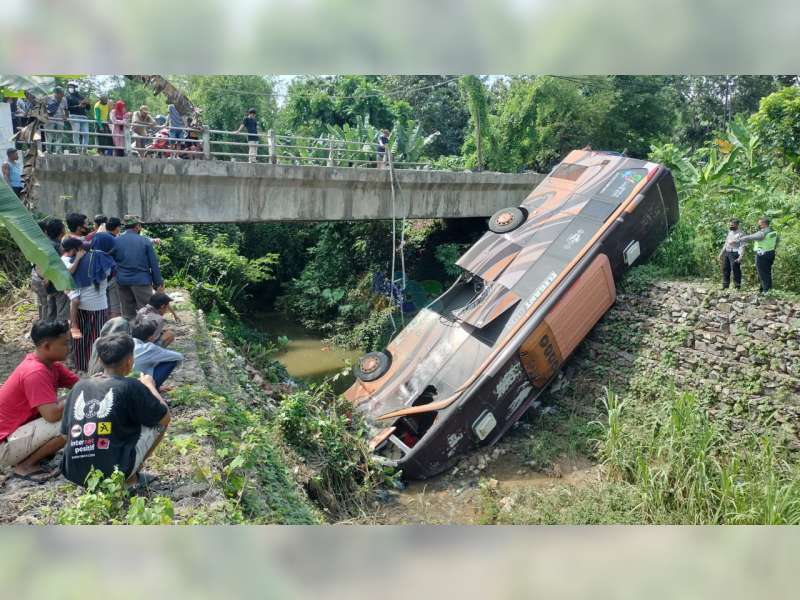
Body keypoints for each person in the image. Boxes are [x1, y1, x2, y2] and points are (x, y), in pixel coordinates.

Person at [60, 333, 170, 488]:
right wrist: (150, 385)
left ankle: (96, 478)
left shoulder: (79, 386)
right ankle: (129, 479)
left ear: (99, 360)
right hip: (114, 471)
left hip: (74, 472)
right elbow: (165, 417)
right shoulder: (131, 385)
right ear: (130, 361)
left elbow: (65, 434)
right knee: (158, 421)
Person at [0, 321, 77, 482]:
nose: (69, 347)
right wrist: (75, 396)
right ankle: (25, 466)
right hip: (4, 445)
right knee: (73, 421)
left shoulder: (50, 364)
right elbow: (52, 415)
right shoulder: (35, 372)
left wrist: (93, 384)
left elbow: (79, 384)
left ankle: (31, 458)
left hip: (16, 433)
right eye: (65, 343)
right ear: (47, 346)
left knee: (71, 407)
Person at [68, 233, 116, 372]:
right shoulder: (105, 260)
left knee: (81, 337)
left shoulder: (79, 257)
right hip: (98, 306)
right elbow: (108, 276)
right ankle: (94, 368)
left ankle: (81, 365)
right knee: (96, 338)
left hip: (80, 305)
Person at [114, 215, 164, 320]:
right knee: (147, 312)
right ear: (137, 226)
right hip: (141, 281)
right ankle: (147, 330)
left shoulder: (116, 240)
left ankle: (130, 330)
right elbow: (153, 264)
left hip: (122, 281)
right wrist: (158, 282)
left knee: (127, 314)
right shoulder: (144, 241)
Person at [131, 318, 183, 390]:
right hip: (140, 386)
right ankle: (153, 389)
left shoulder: (126, 341)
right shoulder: (149, 347)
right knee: (172, 361)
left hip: (125, 382)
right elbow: (179, 356)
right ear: (151, 337)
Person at [740, 217, 779, 293]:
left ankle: (766, 292)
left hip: (762, 255)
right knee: (766, 272)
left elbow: (752, 237)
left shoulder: (763, 232)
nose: (758, 225)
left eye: (759, 224)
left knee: (763, 274)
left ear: (764, 224)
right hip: (771, 253)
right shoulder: (773, 231)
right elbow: (777, 241)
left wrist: (741, 238)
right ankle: (763, 290)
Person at [104, 217, 123, 318]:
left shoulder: (98, 237)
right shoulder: (116, 240)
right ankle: (115, 327)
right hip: (113, 275)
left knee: (105, 307)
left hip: (100, 277)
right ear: (117, 228)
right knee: (115, 307)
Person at [718, 218, 745, 290]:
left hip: (735, 253)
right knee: (725, 269)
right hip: (727, 252)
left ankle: (737, 286)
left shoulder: (741, 234)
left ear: (737, 225)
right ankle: (725, 286)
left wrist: (740, 256)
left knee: (735, 269)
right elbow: (726, 243)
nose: (730, 226)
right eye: (730, 224)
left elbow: (742, 246)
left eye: (732, 225)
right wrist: (721, 253)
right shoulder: (730, 232)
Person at [66, 81, 90, 153]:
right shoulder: (67, 97)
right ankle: (78, 149)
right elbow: (67, 108)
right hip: (74, 116)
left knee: (86, 133)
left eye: (72, 87)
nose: (70, 88)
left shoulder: (82, 97)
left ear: (76, 88)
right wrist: (78, 106)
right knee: (76, 132)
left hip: (83, 117)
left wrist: (87, 104)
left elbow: (88, 108)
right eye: (69, 87)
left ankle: (84, 149)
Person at [45, 86, 68, 154]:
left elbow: (66, 109)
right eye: (61, 94)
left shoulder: (64, 99)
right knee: (49, 134)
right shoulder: (48, 98)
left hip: (60, 118)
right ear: (56, 93)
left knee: (60, 134)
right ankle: (48, 150)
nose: (62, 95)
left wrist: (66, 116)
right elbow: (42, 106)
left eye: (63, 93)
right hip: (50, 118)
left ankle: (58, 150)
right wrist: (45, 114)